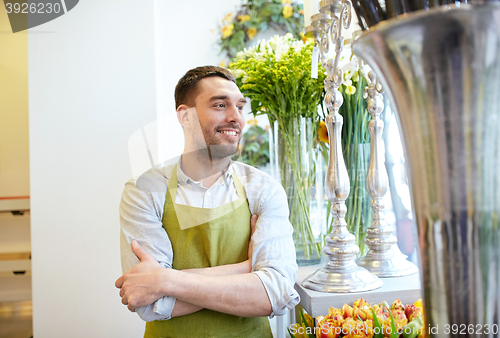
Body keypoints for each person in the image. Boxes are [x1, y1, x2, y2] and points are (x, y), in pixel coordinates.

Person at [115, 66, 299, 337]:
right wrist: (247, 270)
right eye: (221, 105)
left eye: (240, 106)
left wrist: (165, 279)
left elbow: (275, 294)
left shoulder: (263, 189)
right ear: (185, 115)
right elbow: (150, 301)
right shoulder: (144, 190)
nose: (236, 117)